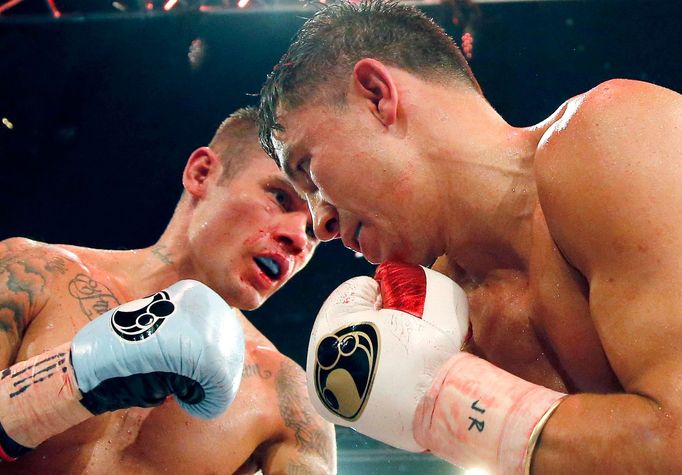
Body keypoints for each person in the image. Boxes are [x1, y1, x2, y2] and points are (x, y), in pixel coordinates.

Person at [257, 1, 682, 473]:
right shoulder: (448, 316)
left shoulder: (612, 138)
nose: (319, 225)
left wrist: (450, 407)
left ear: (377, 95)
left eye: (308, 172)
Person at [0, 106, 336, 474]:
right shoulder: (30, 274)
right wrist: (69, 379)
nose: (296, 240)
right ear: (202, 173)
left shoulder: (288, 398)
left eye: (312, 233)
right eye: (280, 198)